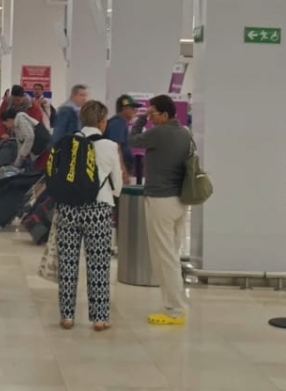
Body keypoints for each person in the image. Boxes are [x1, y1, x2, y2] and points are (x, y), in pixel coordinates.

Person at [53, 100, 122, 331]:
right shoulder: (109, 146)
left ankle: (67, 317)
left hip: (68, 208)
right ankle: (100, 319)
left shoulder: (68, 143)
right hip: (99, 210)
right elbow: (118, 186)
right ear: (103, 122)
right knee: (99, 265)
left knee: (68, 264)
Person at [128, 94, 192, 326]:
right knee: (172, 255)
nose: (150, 116)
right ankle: (177, 304)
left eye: (153, 112)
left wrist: (139, 121)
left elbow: (133, 140)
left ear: (165, 115)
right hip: (179, 200)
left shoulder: (159, 132)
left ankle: (174, 310)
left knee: (164, 257)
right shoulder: (185, 133)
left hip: (160, 201)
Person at [104, 95, 139, 183]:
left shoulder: (121, 123)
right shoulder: (118, 124)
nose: (135, 111)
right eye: (132, 108)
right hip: (115, 173)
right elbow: (116, 149)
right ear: (124, 108)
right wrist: (123, 173)